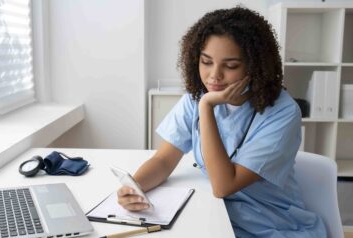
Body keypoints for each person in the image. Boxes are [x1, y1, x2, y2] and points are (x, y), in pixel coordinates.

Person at [117, 6, 326, 237]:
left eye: (231, 66)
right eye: (206, 62)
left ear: (255, 66)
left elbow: (223, 185)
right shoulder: (195, 98)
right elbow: (164, 160)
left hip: (269, 223)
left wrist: (207, 107)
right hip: (216, 213)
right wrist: (135, 187)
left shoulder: (282, 113)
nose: (214, 75)